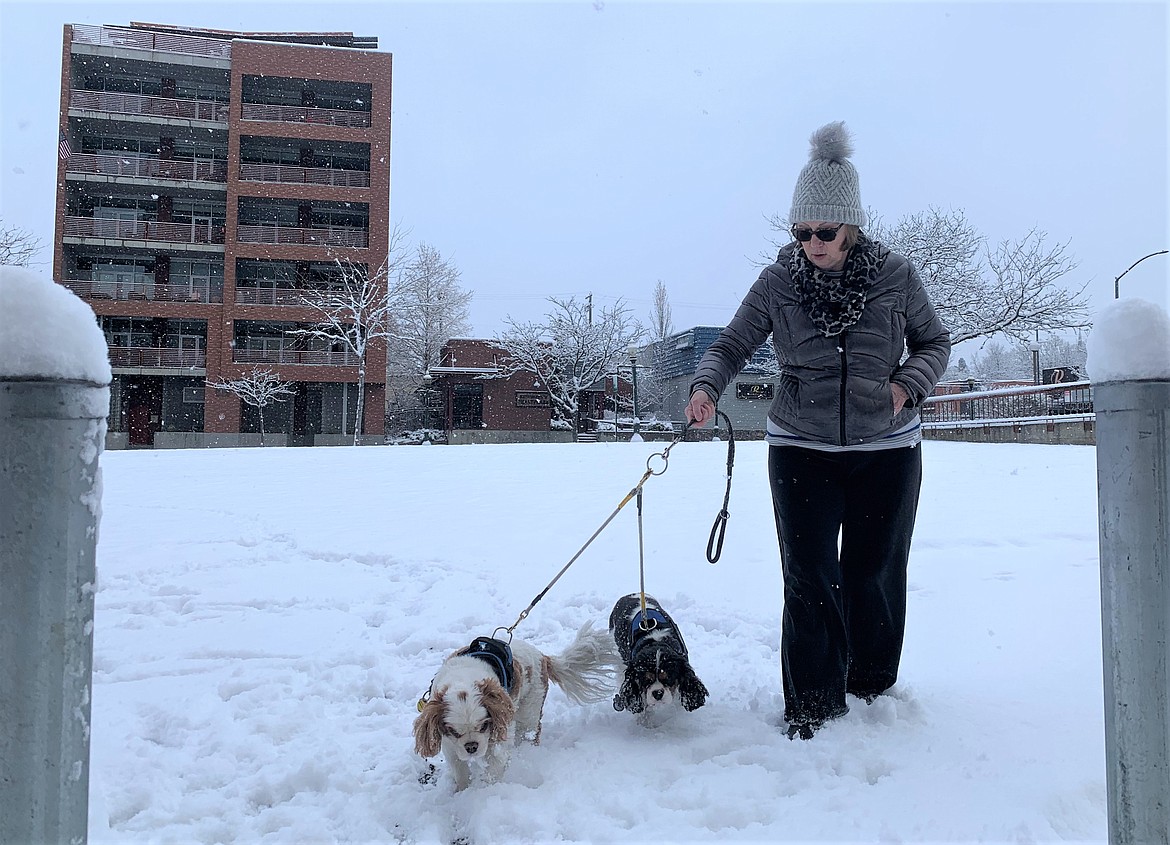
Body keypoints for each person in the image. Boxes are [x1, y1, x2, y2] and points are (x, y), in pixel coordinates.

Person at [684, 121, 951, 740]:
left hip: (887, 450)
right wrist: (705, 387)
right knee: (809, 576)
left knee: (875, 572)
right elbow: (731, 343)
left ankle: (872, 688)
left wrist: (906, 386)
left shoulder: (896, 276)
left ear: (850, 227)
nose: (812, 243)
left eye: (824, 232)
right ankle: (812, 705)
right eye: (801, 232)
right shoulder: (778, 281)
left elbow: (934, 342)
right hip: (800, 449)